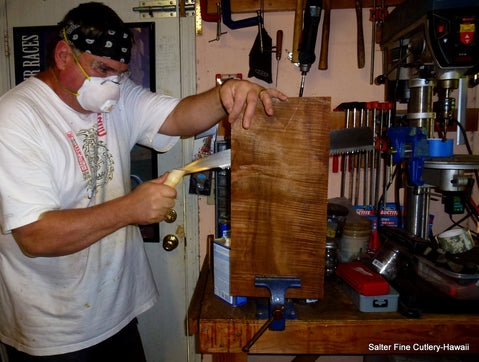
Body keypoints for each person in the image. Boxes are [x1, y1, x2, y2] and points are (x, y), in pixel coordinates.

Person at [0, 2, 287, 361]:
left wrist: (227, 93)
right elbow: (35, 237)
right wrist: (130, 209)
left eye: (118, 74)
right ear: (63, 55)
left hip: (116, 311)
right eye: (101, 69)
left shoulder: (114, 99)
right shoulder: (15, 118)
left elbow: (180, 117)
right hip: (53, 331)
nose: (110, 87)